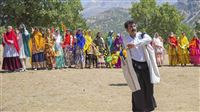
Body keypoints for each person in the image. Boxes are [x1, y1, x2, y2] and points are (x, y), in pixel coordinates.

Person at [123, 20, 160, 112]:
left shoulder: (143, 35)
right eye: (130, 27)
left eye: (134, 26)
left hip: (146, 66)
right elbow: (126, 52)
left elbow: (148, 40)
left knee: (149, 86)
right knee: (137, 88)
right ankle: (138, 109)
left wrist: (135, 44)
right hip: (135, 66)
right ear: (127, 29)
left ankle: (149, 108)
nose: (133, 28)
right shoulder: (126, 39)